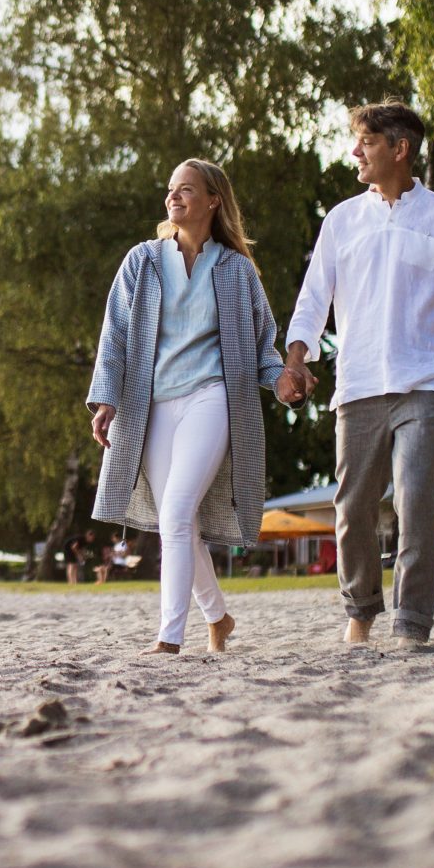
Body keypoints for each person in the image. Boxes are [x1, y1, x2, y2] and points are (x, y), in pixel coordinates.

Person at [279, 102, 434, 646]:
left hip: (426, 385)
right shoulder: (342, 220)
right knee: (351, 507)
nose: (355, 152)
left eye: (366, 142)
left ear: (400, 149)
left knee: (415, 500)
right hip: (359, 385)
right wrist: (297, 357)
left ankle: (412, 623)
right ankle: (361, 610)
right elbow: (312, 299)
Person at [87, 159, 285, 656]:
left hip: (211, 396)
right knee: (179, 523)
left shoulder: (237, 270)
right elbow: (115, 334)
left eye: (186, 190)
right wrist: (106, 397)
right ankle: (218, 618)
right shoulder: (143, 261)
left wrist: (282, 380)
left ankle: (169, 639)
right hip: (150, 406)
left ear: (213, 200)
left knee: (176, 510)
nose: (173, 197)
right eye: (171, 190)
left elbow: (263, 343)